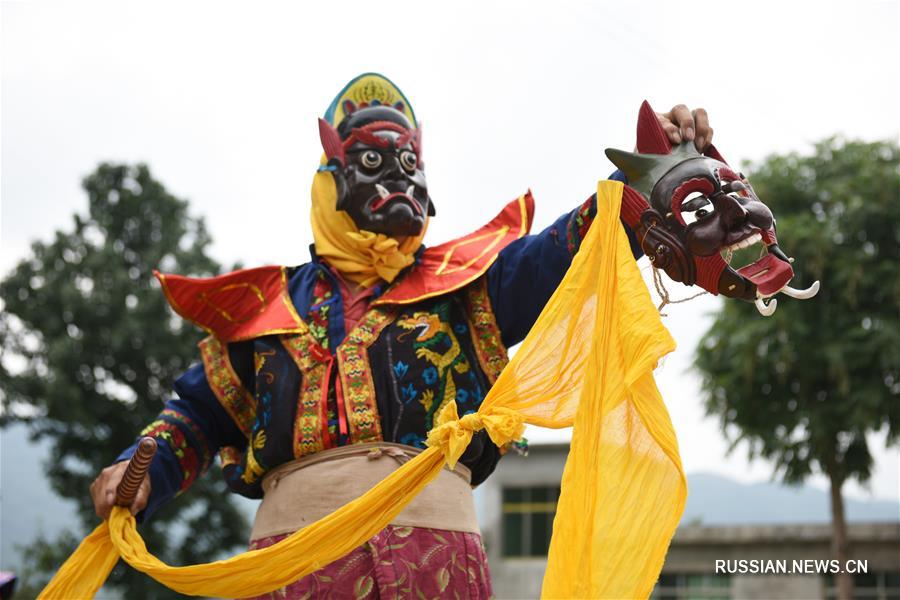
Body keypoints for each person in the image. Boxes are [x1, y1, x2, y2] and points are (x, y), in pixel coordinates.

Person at [89, 73, 714, 598]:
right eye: (371, 160)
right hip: (291, 570)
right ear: (329, 182)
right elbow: (194, 417)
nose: (399, 176)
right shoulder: (268, 309)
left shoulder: (468, 286)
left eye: (409, 161)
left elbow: (565, 254)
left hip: (436, 564)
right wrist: (140, 469)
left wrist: (646, 179)